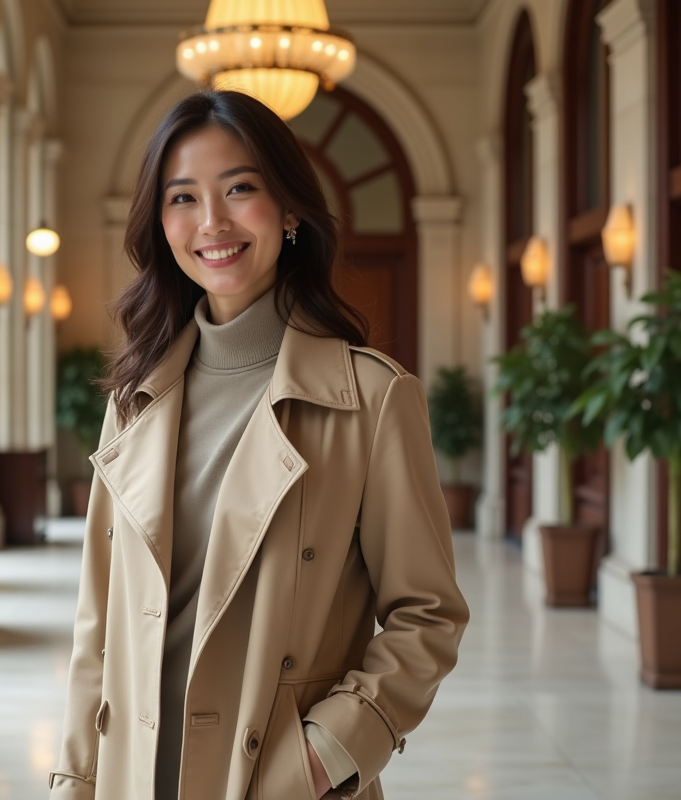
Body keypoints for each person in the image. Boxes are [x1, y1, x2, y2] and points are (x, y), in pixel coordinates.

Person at [49, 89, 469, 800]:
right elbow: (99, 626)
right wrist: (74, 780)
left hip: (277, 783)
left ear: (291, 209)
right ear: (161, 223)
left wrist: (323, 755)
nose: (212, 221)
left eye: (240, 188)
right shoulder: (134, 399)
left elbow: (426, 615)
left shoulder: (372, 398)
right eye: (183, 197)